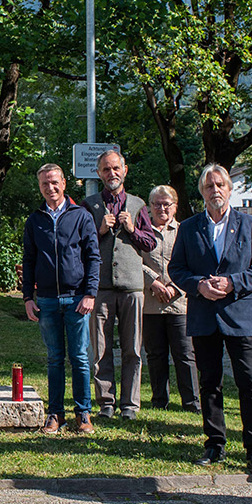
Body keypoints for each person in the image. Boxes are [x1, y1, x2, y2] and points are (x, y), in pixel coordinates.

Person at [170, 163, 252, 476]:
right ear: (202, 192)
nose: (215, 191)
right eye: (209, 186)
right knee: (209, 382)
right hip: (204, 315)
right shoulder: (189, 227)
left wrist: (233, 283)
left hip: (239, 314)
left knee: (250, 383)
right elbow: (177, 269)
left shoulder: (251, 224)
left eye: (220, 185)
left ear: (229, 189)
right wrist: (199, 285)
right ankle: (214, 443)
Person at [22, 163, 100, 435]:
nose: (50, 188)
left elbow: (93, 257)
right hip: (46, 300)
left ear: (64, 183)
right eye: (45, 184)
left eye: (54, 182)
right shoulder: (35, 220)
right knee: (54, 358)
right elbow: (29, 260)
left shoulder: (81, 216)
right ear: (40, 187)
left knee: (79, 357)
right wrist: (27, 297)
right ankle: (55, 414)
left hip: (77, 298)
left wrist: (90, 292)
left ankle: (83, 413)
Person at [83, 150, 156, 420]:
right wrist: (98, 230)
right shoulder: (89, 205)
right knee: (100, 349)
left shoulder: (138, 205)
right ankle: (106, 403)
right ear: (99, 174)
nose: (111, 173)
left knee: (132, 349)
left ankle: (130, 404)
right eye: (105, 169)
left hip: (132, 287)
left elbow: (150, 243)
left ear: (124, 170)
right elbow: (78, 244)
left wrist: (133, 230)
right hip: (100, 287)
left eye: (116, 168)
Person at [139, 185, 199, 413]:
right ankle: (159, 400)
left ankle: (191, 402)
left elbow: (192, 262)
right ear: (149, 207)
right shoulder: (142, 233)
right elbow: (136, 260)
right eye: (157, 204)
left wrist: (175, 287)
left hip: (179, 304)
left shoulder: (186, 231)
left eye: (167, 204)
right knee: (155, 355)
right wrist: (153, 281)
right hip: (151, 304)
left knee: (185, 354)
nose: (162, 208)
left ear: (175, 207)